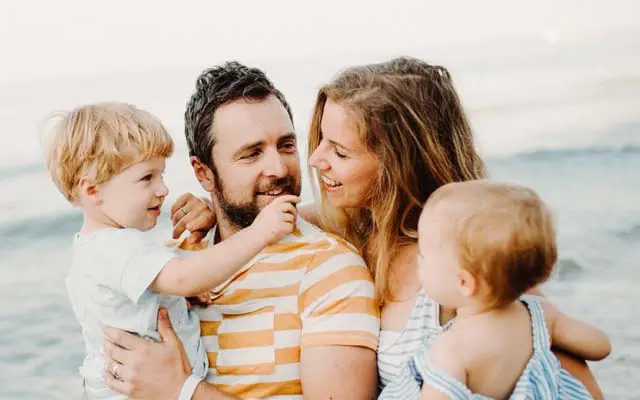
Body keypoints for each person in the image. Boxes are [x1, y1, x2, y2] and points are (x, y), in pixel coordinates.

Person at [175, 56, 606, 398]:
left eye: (340, 151)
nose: (314, 159)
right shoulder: (355, 230)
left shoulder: (470, 267)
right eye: (319, 139)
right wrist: (214, 205)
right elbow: (275, 215)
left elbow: (566, 376)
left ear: (399, 166)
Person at [101, 63, 379, 399]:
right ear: (203, 174)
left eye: (287, 146)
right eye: (252, 154)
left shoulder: (329, 270)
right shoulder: (174, 265)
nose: (278, 169)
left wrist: (181, 391)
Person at [42, 103, 302, 399]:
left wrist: (173, 294)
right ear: (92, 191)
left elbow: (168, 284)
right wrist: (260, 232)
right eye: (146, 178)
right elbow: (183, 277)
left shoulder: (106, 246)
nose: (163, 189)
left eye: (161, 175)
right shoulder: (114, 248)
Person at [378, 180, 611, 399]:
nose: (418, 262)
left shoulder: (450, 351)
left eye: (423, 256)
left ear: (464, 283)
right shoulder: (539, 316)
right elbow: (601, 346)